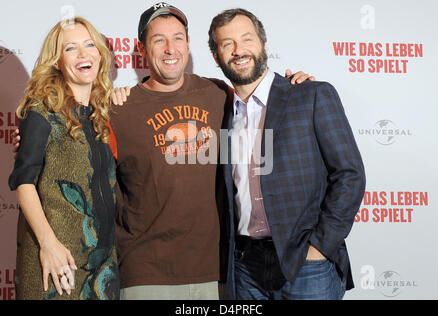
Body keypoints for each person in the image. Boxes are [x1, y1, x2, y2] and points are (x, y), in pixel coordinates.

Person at [11, 2, 312, 300]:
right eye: (158, 40)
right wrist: (32, 141)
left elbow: (259, 101)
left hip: (217, 273)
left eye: (178, 38)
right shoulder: (117, 108)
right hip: (144, 275)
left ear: (189, 45)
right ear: (141, 49)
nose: (170, 48)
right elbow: (55, 159)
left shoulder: (219, 94)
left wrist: (293, 86)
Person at [208, 8, 366, 300]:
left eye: (247, 39)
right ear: (217, 57)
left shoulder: (310, 94)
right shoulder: (220, 111)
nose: (239, 50)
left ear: (264, 45)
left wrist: (320, 247)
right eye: (227, 44)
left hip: (306, 265)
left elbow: (350, 175)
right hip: (245, 268)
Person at [8, 17, 120, 300]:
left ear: (99, 54)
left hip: (103, 264)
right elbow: (24, 182)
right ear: (57, 61)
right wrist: (49, 245)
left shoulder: (100, 116)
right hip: (57, 263)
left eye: (89, 45)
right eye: (71, 48)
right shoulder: (42, 110)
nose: (83, 54)